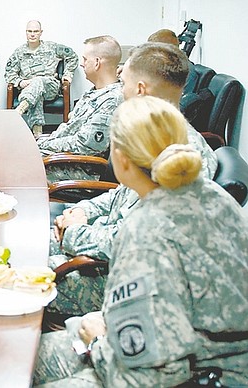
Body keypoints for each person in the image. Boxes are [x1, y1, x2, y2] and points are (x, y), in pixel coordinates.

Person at [34, 95, 248, 387]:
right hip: (207, 354)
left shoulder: (145, 233)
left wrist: (96, 339)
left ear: (120, 158)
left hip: (194, 375)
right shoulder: (210, 194)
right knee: (25, 359)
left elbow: (138, 378)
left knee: (16, 368)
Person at [46, 42, 218, 317]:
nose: (119, 89)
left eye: (122, 82)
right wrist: (81, 210)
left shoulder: (185, 157)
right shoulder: (155, 134)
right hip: (96, 245)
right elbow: (120, 195)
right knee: (22, 243)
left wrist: (74, 231)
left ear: (140, 90)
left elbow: (135, 246)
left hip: (117, 279)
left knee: (19, 276)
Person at [38, 35, 123, 183]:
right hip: (64, 159)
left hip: (81, 170)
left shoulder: (112, 100)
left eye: (85, 59)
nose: (82, 64)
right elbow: (69, 129)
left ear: (97, 63)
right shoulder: (95, 92)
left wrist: (43, 145)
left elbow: (85, 145)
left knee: (19, 169)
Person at [4, 20, 78, 137]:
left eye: (36, 31)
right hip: (30, 89)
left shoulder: (52, 47)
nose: (32, 34)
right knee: (36, 93)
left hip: (50, 86)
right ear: (26, 33)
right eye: (30, 31)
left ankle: (21, 108)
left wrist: (67, 75)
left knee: (38, 81)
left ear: (41, 32)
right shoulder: (19, 53)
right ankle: (37, 133)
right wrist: (20, 82)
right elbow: (9, 73)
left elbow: (72, 56)